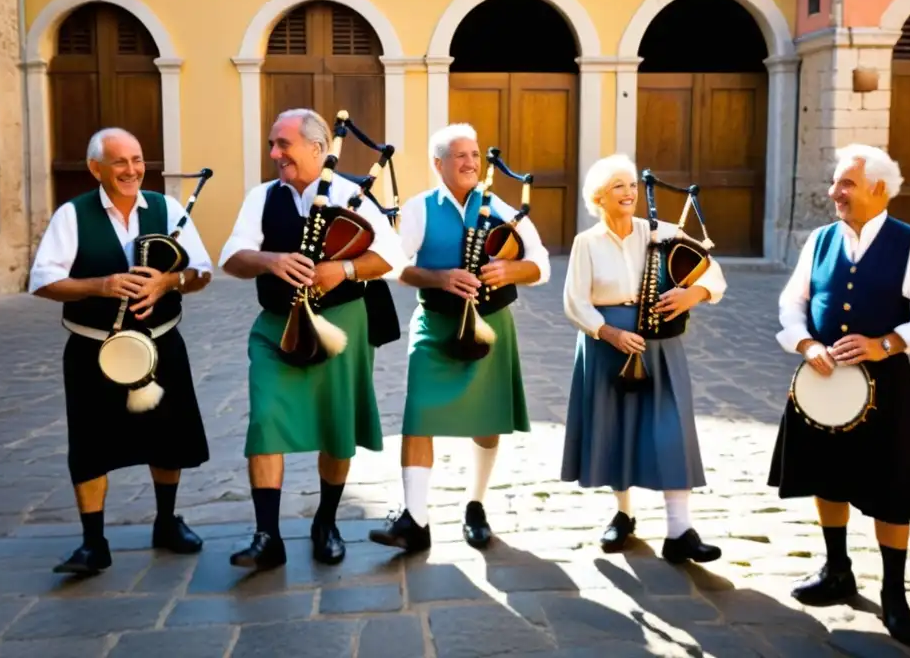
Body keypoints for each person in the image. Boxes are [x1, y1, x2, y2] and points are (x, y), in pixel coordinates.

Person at [768, 143, 910, 647]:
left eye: (845, 184)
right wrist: (805, 343)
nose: (834, 192)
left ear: (877, 188)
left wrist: (887, 343)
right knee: (827, 477)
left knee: (891, 490)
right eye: (835, 182)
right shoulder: (820, 240)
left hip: (885, 385)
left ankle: (894, 593)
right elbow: (793, 303)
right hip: (825, 381)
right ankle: (837, 570)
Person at [219, 108, 403, 570]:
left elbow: (393, 256)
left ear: (318, 149)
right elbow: (231, 257)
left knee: (336, 427)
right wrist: (269, 260)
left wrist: (342, 270)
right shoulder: (262, 197)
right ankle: (268, 536)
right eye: (271, 145)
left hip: (343, 323)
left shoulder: (351, 195)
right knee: (264, 420)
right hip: (277, 324)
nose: (274, 153)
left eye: (283, 144)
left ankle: (326, 522)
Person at [29, 127, 213, 575]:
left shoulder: (167, 208)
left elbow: (202, 271)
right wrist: (103, 285)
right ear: (96, 168)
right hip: (96, 351)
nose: (131, 170)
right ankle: (94, 543)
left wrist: (169, 281)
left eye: (137, 160)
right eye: (119, 162)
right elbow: (43, 281)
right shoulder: (73, 215)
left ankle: (167, 522)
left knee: (168, 438)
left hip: (162, 342)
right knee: (90, 445)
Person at [367, 123, 550, 553]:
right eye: (460, 156)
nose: (470, 163)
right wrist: (439, 277)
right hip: (436, 322)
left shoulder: (502, 209)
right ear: (439, 164)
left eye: (474, 155)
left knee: (487, 423)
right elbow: (393, 264)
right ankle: (415, 519)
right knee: (419, 415)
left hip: (491, 324)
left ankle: (476, 505)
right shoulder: (420, 208)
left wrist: (510, 269)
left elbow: (539, 262)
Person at [560, 154, 727, 564]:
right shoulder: (587, 243)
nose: (630, 192)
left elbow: (713, 272)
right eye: (619, 185)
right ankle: (623, 515)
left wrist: (694, 293)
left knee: (672, 429)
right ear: (599, 196)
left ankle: (679, 531)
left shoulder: (663, 233)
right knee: (616, 430)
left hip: (660, 344)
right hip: (607, 346)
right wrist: (610, 333)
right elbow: (574, 302)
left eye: (632, 184)